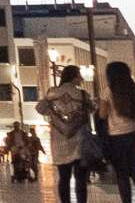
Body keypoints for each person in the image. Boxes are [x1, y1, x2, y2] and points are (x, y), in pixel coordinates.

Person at [38, 65, 96, 203]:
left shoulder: (52, 93)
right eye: (79, 75)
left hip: (59, 142)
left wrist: (54, 113)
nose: (81, 78)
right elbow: (92, 109)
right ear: (74, 76)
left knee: (63, 178)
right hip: (79, 141)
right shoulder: (82, 95)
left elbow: (40, 109)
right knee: (80, 179)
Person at [98, 61, 135, 203]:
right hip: (134, 135)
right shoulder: (134, 89)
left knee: (122, 176)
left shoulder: (108, 91)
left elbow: (102, 115)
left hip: (116, 137)